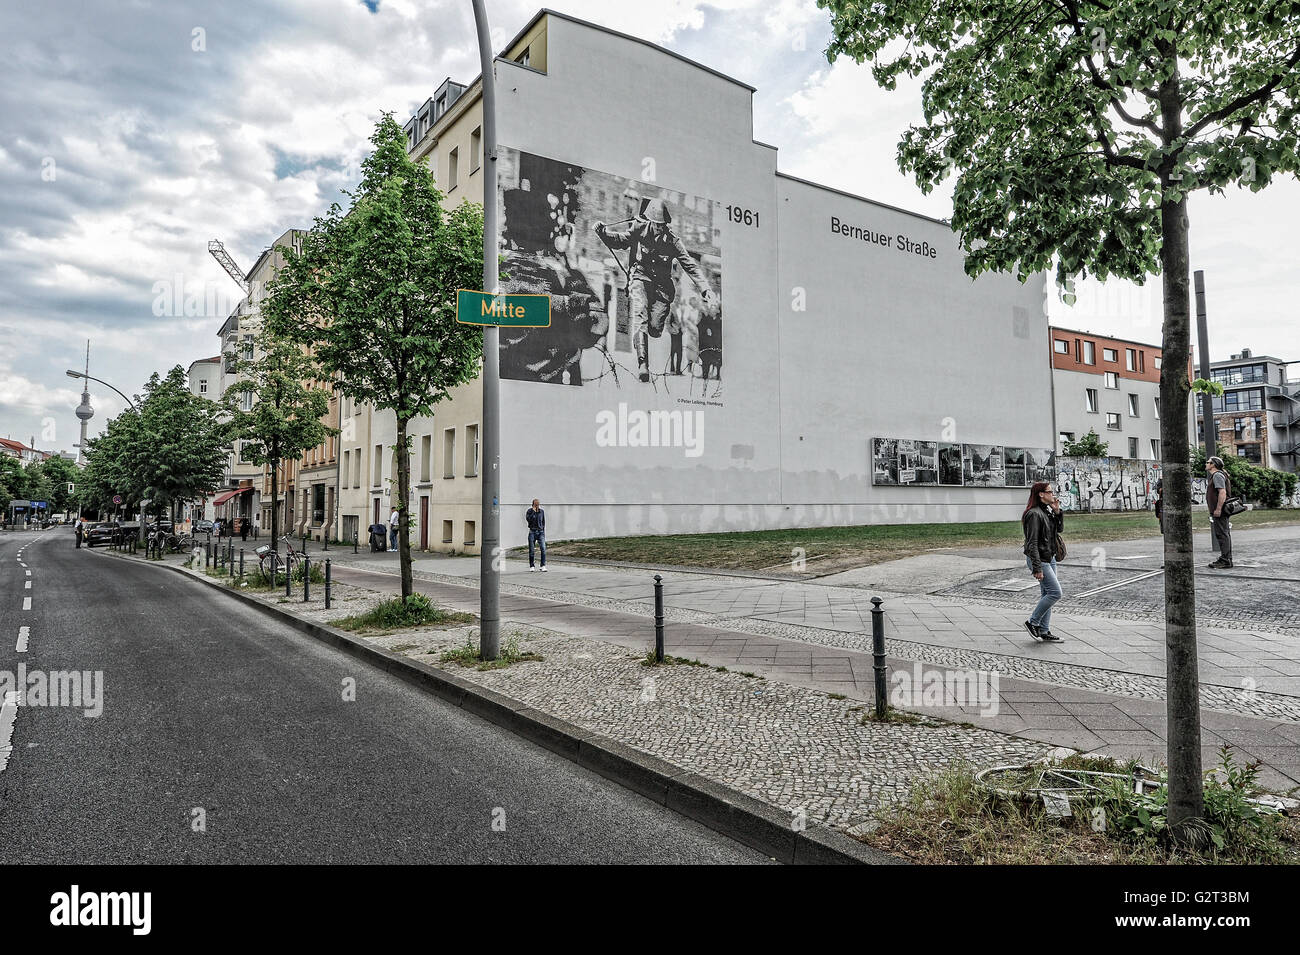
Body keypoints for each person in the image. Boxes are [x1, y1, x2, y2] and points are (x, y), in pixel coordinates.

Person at [595, 199, 717, 383]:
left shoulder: (673, 240)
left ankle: (653, 327)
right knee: (639, 315)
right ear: (650, 221)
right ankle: (643, 364)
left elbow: (690, 265)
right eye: (656, 224)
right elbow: (621, 241)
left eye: (662, 225)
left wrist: (706, 289)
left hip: (662, 288)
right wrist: (603, 233)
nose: (659, 228)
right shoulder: (639, 228)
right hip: (640, 278)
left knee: (654, 328)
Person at [1022, 480, 1065, 643]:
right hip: (1039, 559)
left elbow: (1059, 530)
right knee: (1055, 592)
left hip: (1050, 557)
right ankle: (1032, 622)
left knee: (1047, 594)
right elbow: (1031, 543)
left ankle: (1044, 630)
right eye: (1049, 491)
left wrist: (1057, 512)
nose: (1053, 494)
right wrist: (1037, 568)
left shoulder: (1046, 511)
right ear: (1041, 494)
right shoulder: (1033, 514)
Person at [1206, 456, 1234, 569]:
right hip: (1220, 510)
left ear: (1213, 465)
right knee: (1223, 533)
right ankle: (1226, 558)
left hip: (1220, 510)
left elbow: (1222, 493)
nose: (1206, 464)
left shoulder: (1217, 475)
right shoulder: (1218, 475)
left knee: (1222, 534)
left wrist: (1218, 509)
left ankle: (1225, 559)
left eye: (1208, 462)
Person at [526, 498, 547, 572]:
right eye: (536, 504)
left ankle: (543, 565)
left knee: (543, 549)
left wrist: (543, 531)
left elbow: (543, 522)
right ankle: (532, 566)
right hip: (532, 532)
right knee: (531, 550)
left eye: (538, 504)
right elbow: (528, 520)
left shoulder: (542, 511)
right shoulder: (529, 511)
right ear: (533, 504)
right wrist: (533, 512)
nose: (537, 505)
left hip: (541, 532)